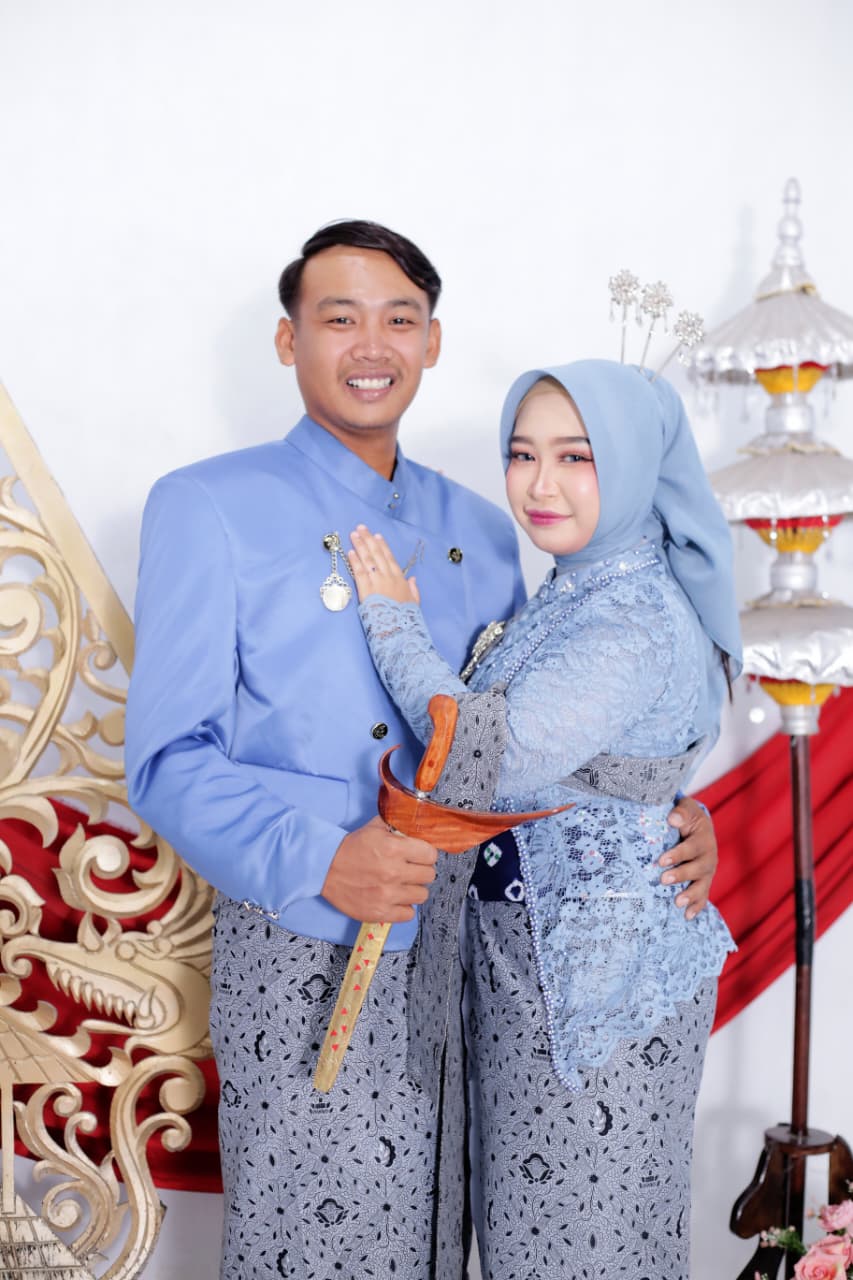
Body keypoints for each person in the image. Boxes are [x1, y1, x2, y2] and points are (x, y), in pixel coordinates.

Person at [124, 221, 721, 1279]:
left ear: (431, 341)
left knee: (448, 1244)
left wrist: (663, 810)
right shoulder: (207, 504)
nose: (372, 344)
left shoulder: (483, 527)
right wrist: (319, 858)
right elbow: (168, 758)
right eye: (338, 317)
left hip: (475, 960)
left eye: (399, 318)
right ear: (288, 338)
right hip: (305, 944)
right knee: (322, 1247)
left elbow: (536, 737)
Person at [346, 359, 741, 1279]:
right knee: (536, 1242)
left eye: (577, 456)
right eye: (522, 454)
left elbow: (493, 759)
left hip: (598, 990)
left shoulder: (629, 615)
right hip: (544, 966)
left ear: (634, 464)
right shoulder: (578, 586)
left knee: (583, 1247)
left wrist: (393, 625)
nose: (539, 484)